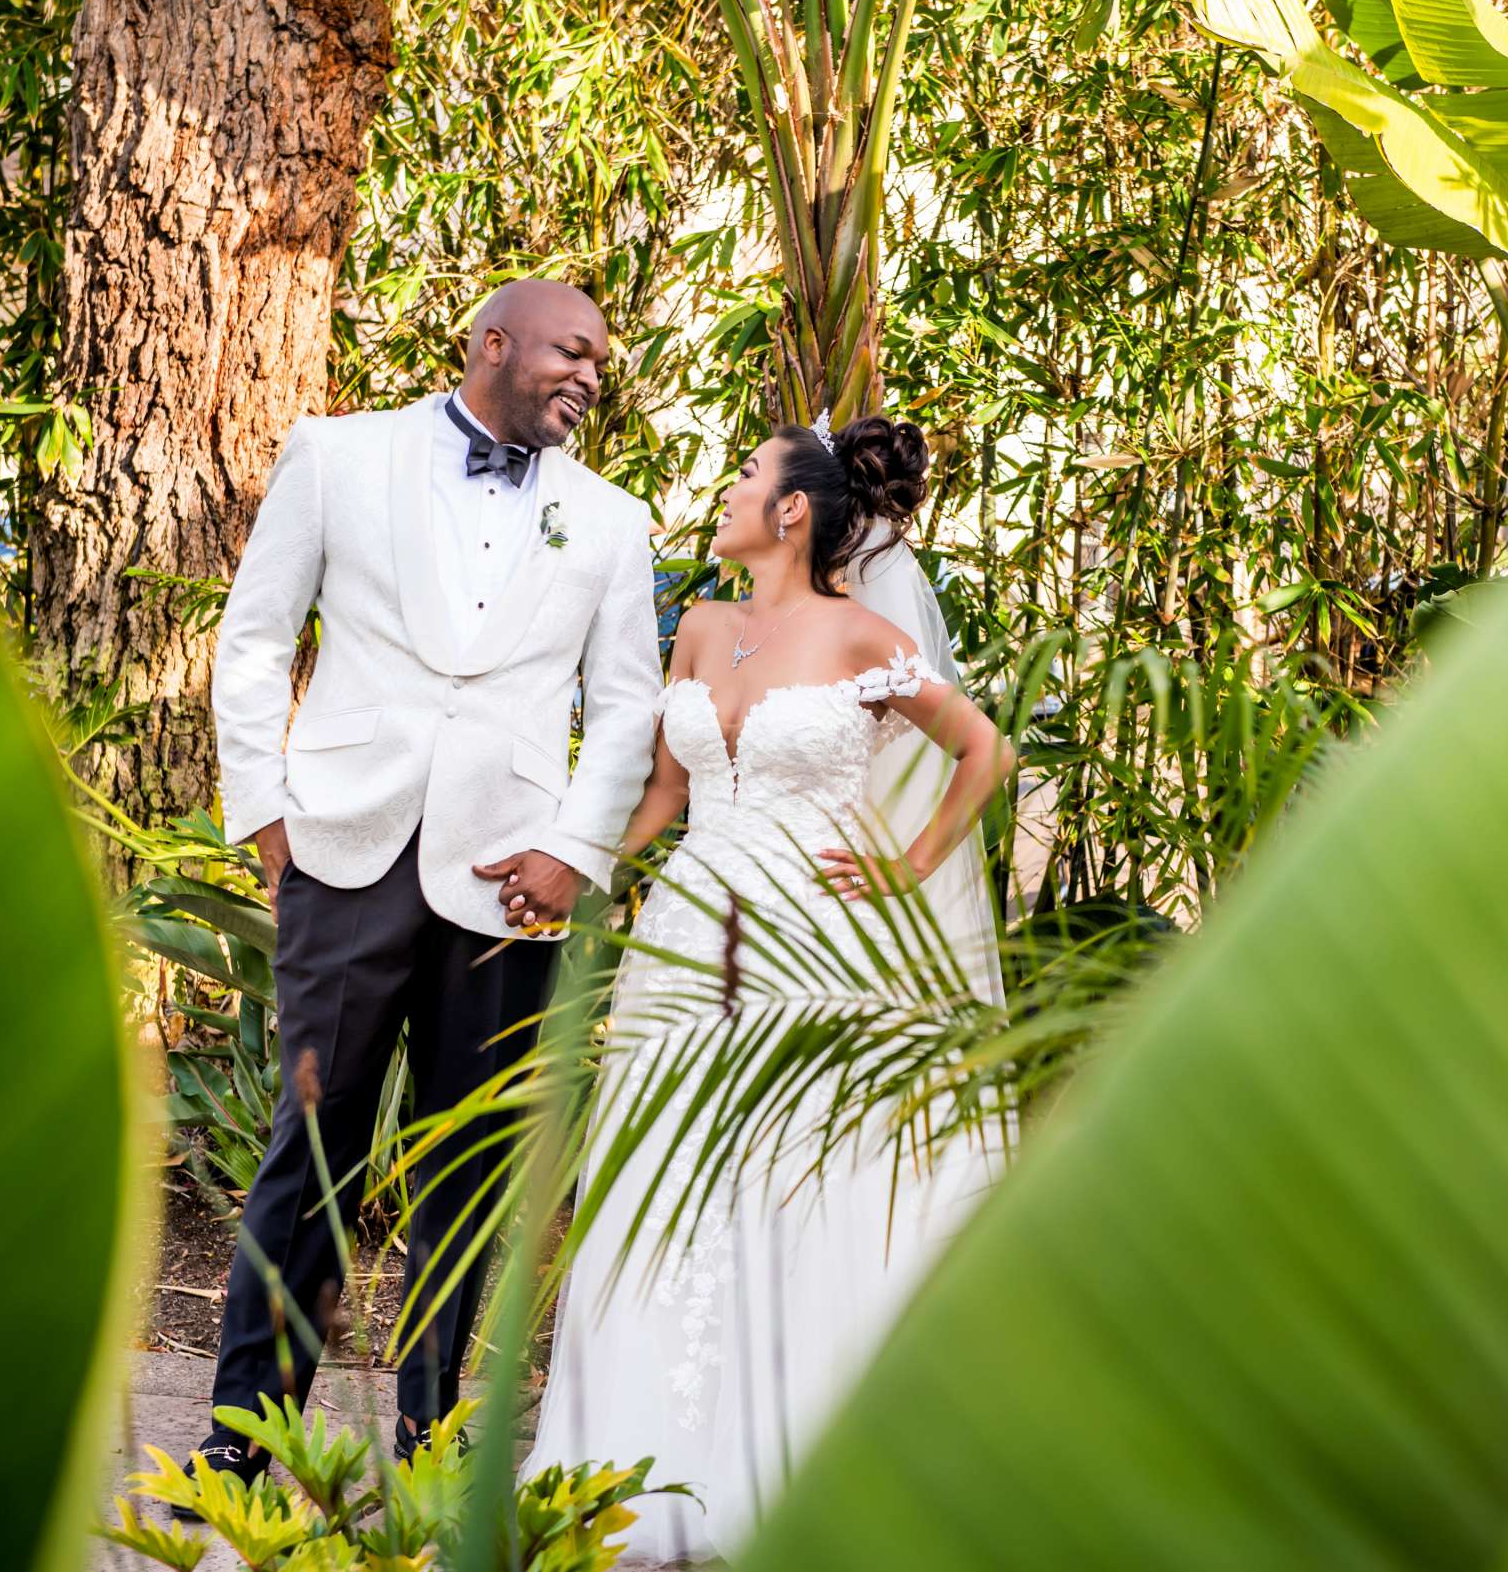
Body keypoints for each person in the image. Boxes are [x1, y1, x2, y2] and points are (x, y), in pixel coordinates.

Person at [193, 278, 661, 1497]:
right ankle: (245, 1431)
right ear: (493, 343)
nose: (589, 376)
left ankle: (429, 1432)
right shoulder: (338, 455)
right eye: (571, 352)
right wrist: (263, 805)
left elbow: (623, 707)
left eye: (599, 363)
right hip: (341, 849)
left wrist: (578, 845)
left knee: (474, 1161)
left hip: (512, 876)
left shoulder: (611, 521)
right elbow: (253, 636)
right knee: (314, 1147)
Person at [522, 411, 1016, 1563]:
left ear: (792, 509)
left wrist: (909, 861)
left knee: (788, 1177)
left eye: (748, 474)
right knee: (663, 1160)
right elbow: (659, 793)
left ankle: (781, 1459)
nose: (730, 487)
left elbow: (984, 749)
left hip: (811, 937)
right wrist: (577, 865)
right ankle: (630, 1457)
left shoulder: (861, 637)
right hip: (690, 930)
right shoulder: (697, 627)